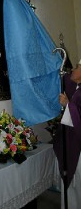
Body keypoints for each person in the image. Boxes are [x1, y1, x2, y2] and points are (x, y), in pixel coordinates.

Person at [53, 59, 81, 209]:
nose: (73, 70)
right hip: (70, 141)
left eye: (77, 67)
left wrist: (68, 106)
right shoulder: (74, 85)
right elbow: (63, 76)